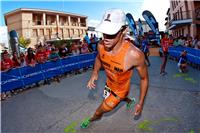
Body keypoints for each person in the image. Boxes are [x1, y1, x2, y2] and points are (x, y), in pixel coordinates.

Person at [81, 9, 149, 128]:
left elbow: (144, 79)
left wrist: (141, 102)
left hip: (120, 90)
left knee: (100, 110)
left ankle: (92, 118)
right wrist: (95, 72)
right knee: (123, 98)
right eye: (104, 32)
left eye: (111, 33)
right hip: (109, 83)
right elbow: (98, 58)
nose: (106, 37)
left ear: (123, 30)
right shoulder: (100, 45)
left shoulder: (134, 55)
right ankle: (129, 100)